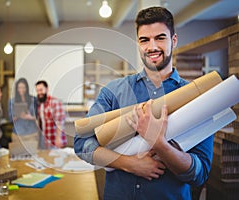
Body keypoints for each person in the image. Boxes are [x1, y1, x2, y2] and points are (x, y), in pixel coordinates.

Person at [74, 7, 213, 200]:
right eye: (144, 40)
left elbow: (200, 174)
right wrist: (131, 164)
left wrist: (160, 144)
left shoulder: (197, 97)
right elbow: (82, 144)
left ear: (173, 40)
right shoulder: (114, 91)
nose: (152, 46)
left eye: (160, 38)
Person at [35, 80, 66, 149]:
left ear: (47, 89)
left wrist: (58, 138)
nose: (39, 93)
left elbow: (59, 122)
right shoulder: (40, 104)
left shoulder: (55, 102)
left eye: (41, 90)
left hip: (55, 140)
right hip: (45, 140)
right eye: (37, 90)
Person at [8, 78, 39, 143]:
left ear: (26, 88)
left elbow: (38, 116)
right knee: (18, 152)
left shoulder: (33, 99)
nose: (21, 90)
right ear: (16, 89)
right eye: (19, 88)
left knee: (32, 152)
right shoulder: (12, 101)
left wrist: (30, 117)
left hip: (32, 132)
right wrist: (18, 115)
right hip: (18, 133)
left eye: (23, 87)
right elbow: (10, 119)